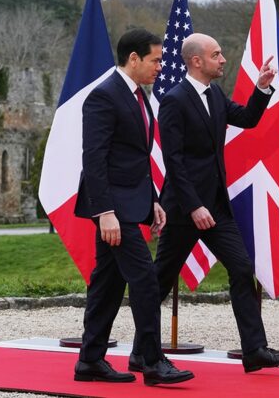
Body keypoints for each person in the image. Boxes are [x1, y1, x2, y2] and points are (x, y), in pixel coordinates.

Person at [147, 32, 279, 373]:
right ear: (196, 61)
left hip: (216, 207)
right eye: (216, 54)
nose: (223, 59)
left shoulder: (214, 94)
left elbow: (248, 119)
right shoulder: (174, 100)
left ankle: (254, 351)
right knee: (159, 283)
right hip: (185, 210)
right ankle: (143, 352)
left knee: (242, 269)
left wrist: (262, 88)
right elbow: (174, 160)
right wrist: (193, 205)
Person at [73, 28, 194, 386]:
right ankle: (152, 362)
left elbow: (135, 158)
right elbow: (94, 159)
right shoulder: (104, 96)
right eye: (156, 60)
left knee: (108, 284)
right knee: (145, 281)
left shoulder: (139, 96)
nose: (161, 66)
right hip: (113, 210)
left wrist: (153, 200)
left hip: (131, 202)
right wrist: (104, 212)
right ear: (134, 58)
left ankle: (90, 361)